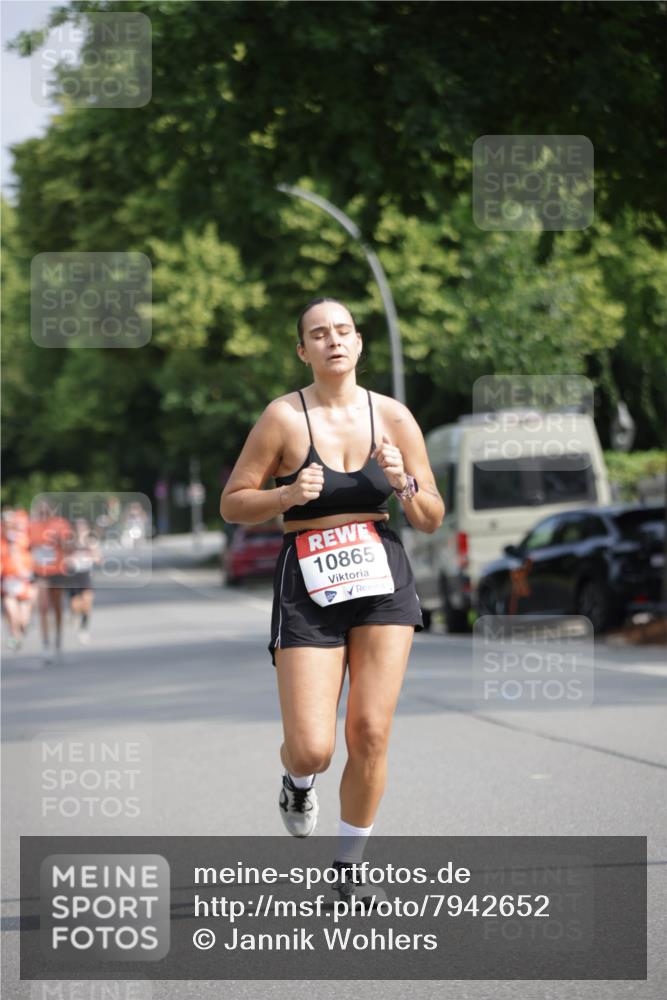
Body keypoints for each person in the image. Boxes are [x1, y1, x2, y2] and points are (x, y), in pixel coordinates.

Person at [220, 298, 444, 902]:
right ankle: (296, 780)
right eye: (319, 334)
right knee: (314, 747)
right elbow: (233, 501)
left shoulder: (394, 418)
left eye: (343, 331)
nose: (333, 341)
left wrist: (404, 482)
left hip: (380, 576)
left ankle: (349, 868)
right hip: (309, 579)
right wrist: (287, 494)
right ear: (303, 351)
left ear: (360, 342)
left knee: (369, 731)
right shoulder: (283, 418)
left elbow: (429, 516)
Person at [29, 500, 73, 664]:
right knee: (43, 607)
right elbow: (26, 546)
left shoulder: (60, 524)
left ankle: (58, 639)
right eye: (40, 512)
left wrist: (58, 541)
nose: (43, 515)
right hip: (40, 571)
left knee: (57, 608)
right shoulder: (32, 526)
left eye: (46, 512)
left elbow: (69, 546)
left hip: (57, 570)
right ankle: (45, 644)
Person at [1, 508, 36, 651]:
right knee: (11, 613)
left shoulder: (24, 538)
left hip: (23, 582)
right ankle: (15, 637)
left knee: (23, 620)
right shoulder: (2, 541)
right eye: (5, 522)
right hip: (7, 581)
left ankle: (21, 630)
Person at [64, 518, 102, 644]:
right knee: (75, 605)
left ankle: (83, 629)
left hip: (85, 575)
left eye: (83, 528)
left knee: (87, 603)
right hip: (73, 576)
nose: (80, 531)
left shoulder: (91, 542)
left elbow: (99, 559)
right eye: (78, 528)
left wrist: (93, 554)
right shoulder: (69, 543)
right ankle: (74, 615)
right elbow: (63, 559)